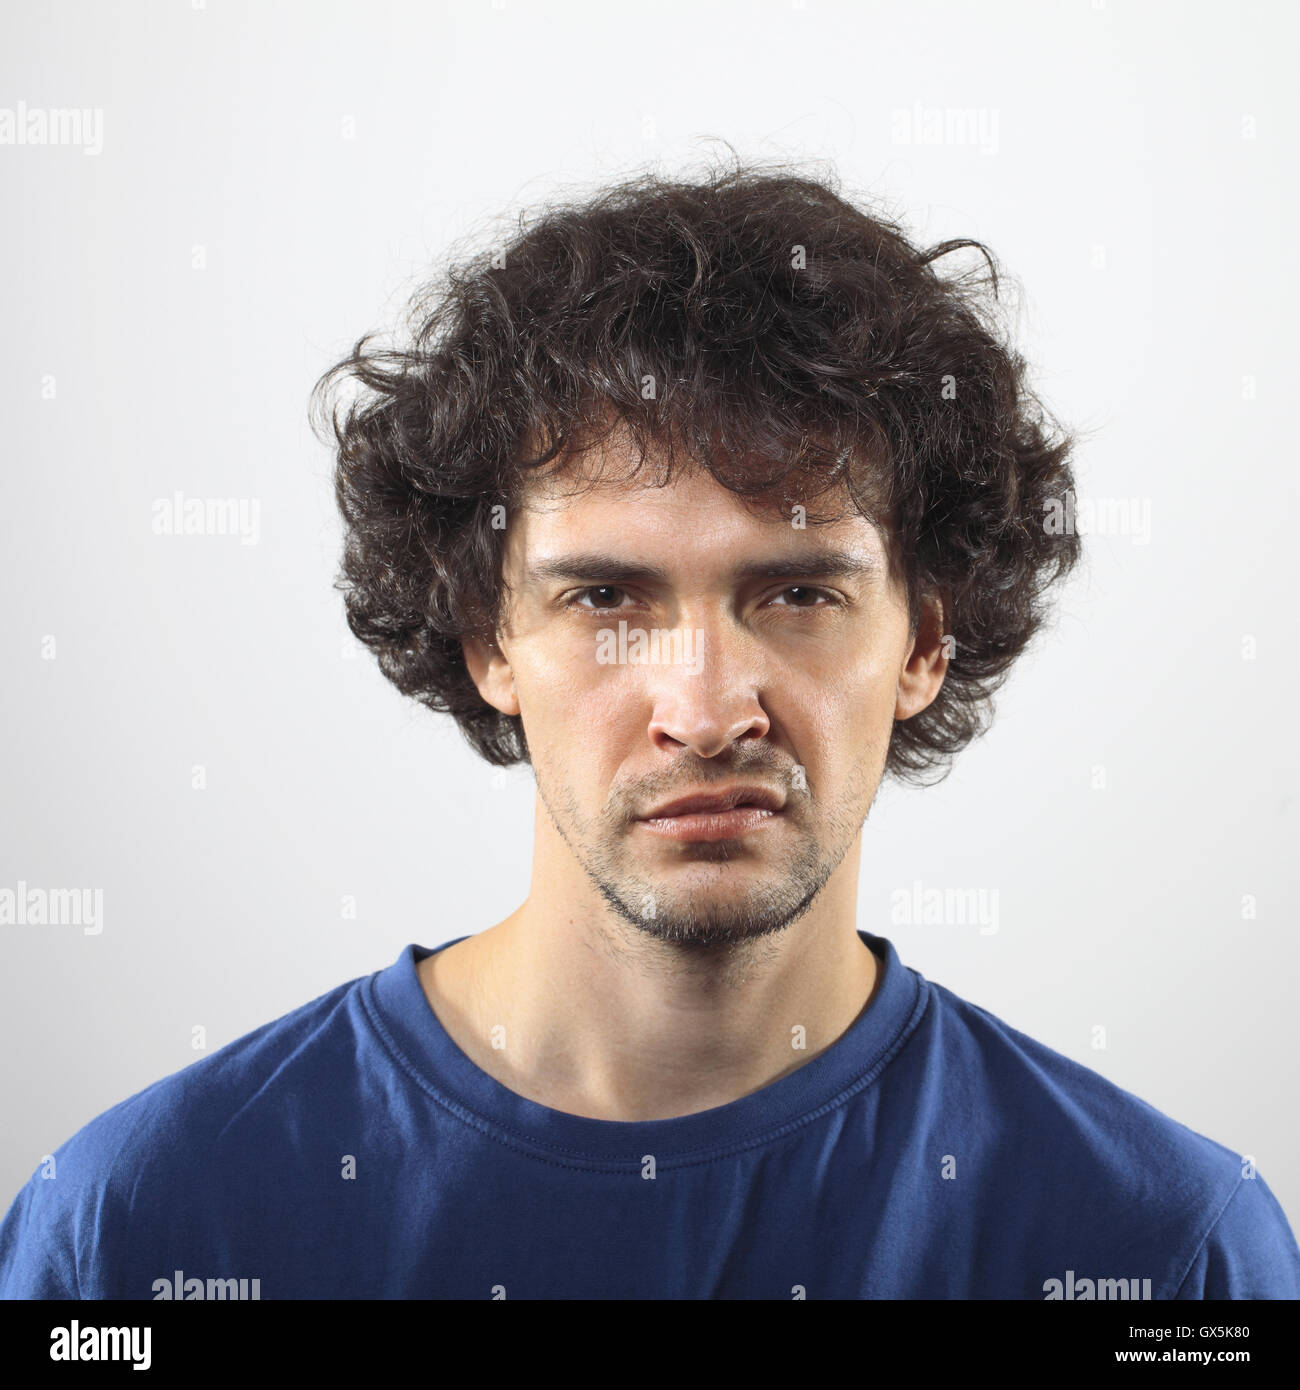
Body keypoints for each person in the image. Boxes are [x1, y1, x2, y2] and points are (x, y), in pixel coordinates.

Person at [3, 160, 1297, 1300]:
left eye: (797, 593)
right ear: (487, 640)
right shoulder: (144, 1228)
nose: (704, 709)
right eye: (605, 596)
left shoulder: (1160, 1251)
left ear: (923, 640)